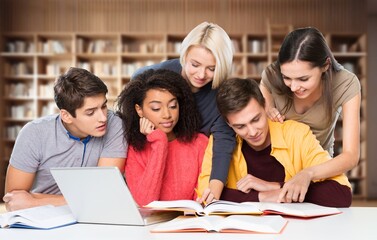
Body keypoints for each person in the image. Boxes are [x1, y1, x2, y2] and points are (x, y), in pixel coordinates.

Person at [198, 78, 352, 207]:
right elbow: (207, 195)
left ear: (265, 105)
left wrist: (277, 187)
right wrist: (263, 197)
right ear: (228, 123)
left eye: (256, 119)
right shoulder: (220, 142)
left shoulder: (296, 134)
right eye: (240, 126)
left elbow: (341, 194)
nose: (252, 132)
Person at [132, 22, 235, 202]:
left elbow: (224, 142)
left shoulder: (221, 95)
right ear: (185, 54)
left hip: (191, 170)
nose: (201, 75)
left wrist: (214, 188)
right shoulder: (158, 74)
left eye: (212, 68)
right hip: (152, 160)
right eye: (195, 64)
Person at [3, 67, 127, 212]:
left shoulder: (115, 124)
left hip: (93, 215)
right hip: (42, 216)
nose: (103, 118)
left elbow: (103, 193)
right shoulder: (34, 133)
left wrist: (35, 201)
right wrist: (81, 201)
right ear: (66, 116)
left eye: (104, 106)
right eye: (90, 112)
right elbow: (13, 201)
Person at [259, 27, 360, 202]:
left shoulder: (345, 83)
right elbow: (262, 102)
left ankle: (279, 188)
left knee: (338, 197)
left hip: (317, 167)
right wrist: (267, 108)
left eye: (303, 79)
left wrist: (308, 173)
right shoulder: (271, 75)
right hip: (277, 165)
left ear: (325, 66)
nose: (293, 87)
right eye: (287, 78)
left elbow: (351, 155)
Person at [117, 69, 208, 206]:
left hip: (191, 223)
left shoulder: (199, 143)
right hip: (152, 225)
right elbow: (145, 202)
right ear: (139, 110)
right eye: (156, 108)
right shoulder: (134, 149)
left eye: (173, 106)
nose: (167, 114)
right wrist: (159, 142)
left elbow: (201, 200)